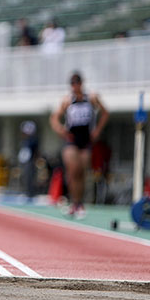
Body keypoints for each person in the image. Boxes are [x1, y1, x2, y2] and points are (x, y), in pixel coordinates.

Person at [49, 72, 109, 218]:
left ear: (81, 83)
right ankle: (73, 201)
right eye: (72, 83)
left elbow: (105, 113)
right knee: (73, 171)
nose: (75, 86)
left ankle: (79, 202)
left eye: (77, 82)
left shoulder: (92, 98)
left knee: (82, 172)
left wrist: (97, 131)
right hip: (72, 139)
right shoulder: (68, 100)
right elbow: (54, 118)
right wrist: (61, 131)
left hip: (86, 139)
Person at [18, 120, 39, 197]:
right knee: (24, 177)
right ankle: (26, 191)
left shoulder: (33, 140)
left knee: (30, 177)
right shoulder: (25, 140)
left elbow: (35, 152)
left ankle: (30, 193)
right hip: (25, 161)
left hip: (30, 161)